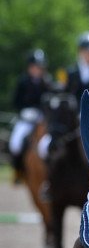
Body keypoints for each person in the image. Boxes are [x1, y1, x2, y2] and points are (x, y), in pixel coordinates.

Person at [8, 49, 50, 182]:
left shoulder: (47, 82)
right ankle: (18, 171)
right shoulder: (22, 82)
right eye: (35, 66)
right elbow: (16, 101)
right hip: (26, 119)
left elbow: (49, 101)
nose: (38, 69)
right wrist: (24, 111)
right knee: (15, 143)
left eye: (40, 66)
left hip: (42, 119)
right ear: (30, 67)